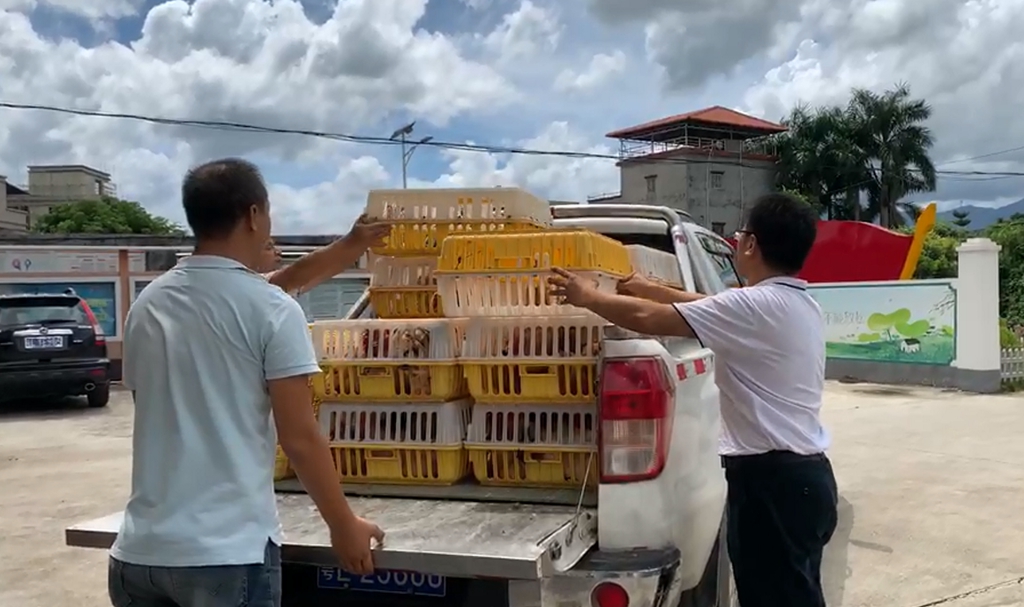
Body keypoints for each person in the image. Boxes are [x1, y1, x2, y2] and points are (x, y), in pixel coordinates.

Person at [110, 158, 386, 607]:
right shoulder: (271, 309)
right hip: (224, 557)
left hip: (139, 557)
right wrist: (343, 525)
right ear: (255, 216)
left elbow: (150, 403)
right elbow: (299, 437)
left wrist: (350, 244)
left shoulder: (148, 303)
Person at [549, 192, 838, 607]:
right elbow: (707, 305)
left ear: (751, 244)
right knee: (796, 593)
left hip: (773, 487)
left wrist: (588, 297)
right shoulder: (798, 304)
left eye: (740, 235)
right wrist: (648, 288)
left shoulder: (755, 305)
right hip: (802, 481)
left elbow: (652, 320)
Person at [257, 214, 389, 297]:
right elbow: (296, 272)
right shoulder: (259, 285)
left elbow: (326, 269)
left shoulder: (280, 292)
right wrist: (352, 240)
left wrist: (361, 243)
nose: (278, 252)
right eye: (269, 247)